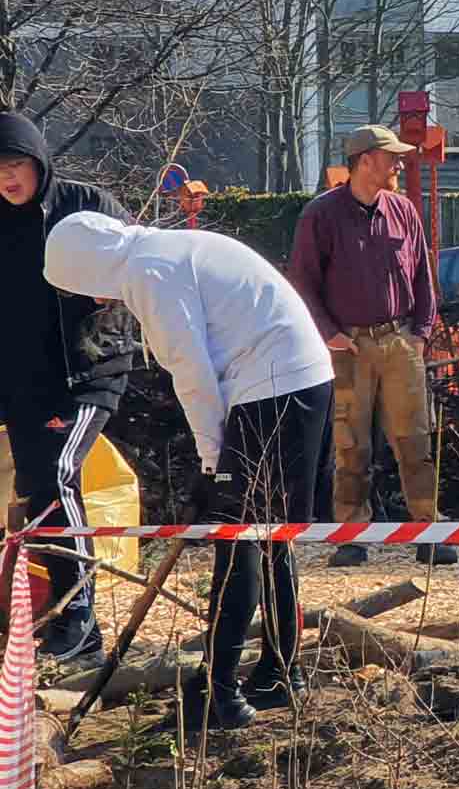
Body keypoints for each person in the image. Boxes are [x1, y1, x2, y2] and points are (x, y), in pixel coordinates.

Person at [46, 212, 333, 730]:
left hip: (272, 387)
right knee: (271, 535)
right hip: (297, 378)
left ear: (87, 268)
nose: (92, 302)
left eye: (80, 288)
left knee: (241, 536)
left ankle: (222, 694)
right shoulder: (164, 251)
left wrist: (211, 463)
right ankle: (277, 673)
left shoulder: (150, 272)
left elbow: (193, 373)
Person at [0, 111, 138, 664]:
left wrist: (115, 291)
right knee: (36, 488)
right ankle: (61, 616)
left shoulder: (87, 207)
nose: (8, 179)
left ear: (38, 162)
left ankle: (80, 617)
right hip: (21, 380)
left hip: (87, 373)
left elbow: (139, 264)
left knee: (61, 471)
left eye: (15, 166)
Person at [285, 124, 451, 569]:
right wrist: (331, 335)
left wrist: (420, 333)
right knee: (350, 444)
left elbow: (423, 277)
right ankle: (351, 534)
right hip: (348, 346)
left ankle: (428, 529)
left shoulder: (404, 211)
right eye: (391, 157)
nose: (400, 163)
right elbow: (301, 281)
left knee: (415, 439)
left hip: (400, 340)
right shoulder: (320, 215)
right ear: (364, 161)